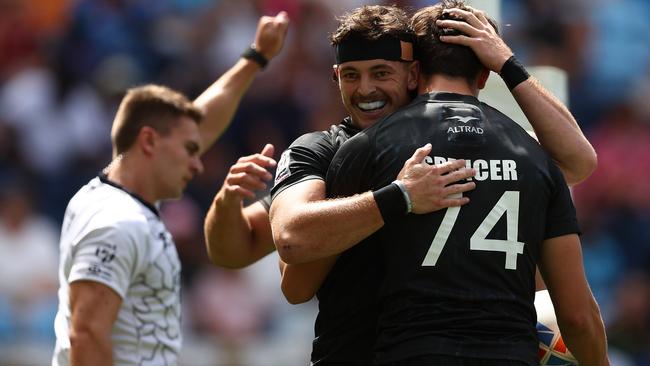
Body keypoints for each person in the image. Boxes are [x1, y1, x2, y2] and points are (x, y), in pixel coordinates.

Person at [206, 4, 597, 366]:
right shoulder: (324, 150)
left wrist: (509, 64)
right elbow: (256, 249)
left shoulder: (465, 145)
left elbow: (579, 161)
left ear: (414, 75)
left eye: (381, 73)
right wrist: (399, 196)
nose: (366, 90)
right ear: (336, 78)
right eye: (352, 75)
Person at [325, 2, 609, 365]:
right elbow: (577, 317)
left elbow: (307, 270)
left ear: (415, 72)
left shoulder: (367, 147)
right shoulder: (535, 159)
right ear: (484, 76)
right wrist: (508, 63)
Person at [51, 12, 289, 366]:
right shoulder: (116, 221)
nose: (198, 164)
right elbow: (86, 333)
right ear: (148, 141)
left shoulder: (117, 195)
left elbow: (199, 124)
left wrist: (256, 57)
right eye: (190, 152)